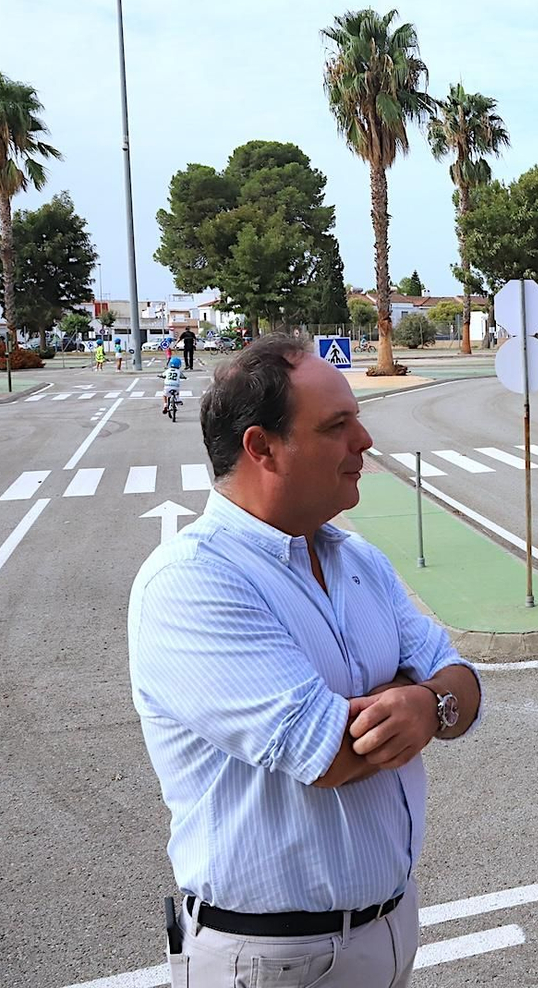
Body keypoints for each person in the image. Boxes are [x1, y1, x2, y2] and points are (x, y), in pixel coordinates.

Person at [128, 333, 483, 987]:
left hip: (392, 925)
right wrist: (421, 693)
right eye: (338, 426)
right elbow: (329, 754)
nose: (365, 442)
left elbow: (463, 682)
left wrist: (425, 702)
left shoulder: (358, 561)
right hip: (275, 959)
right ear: (262, 447)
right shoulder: (192, 583)